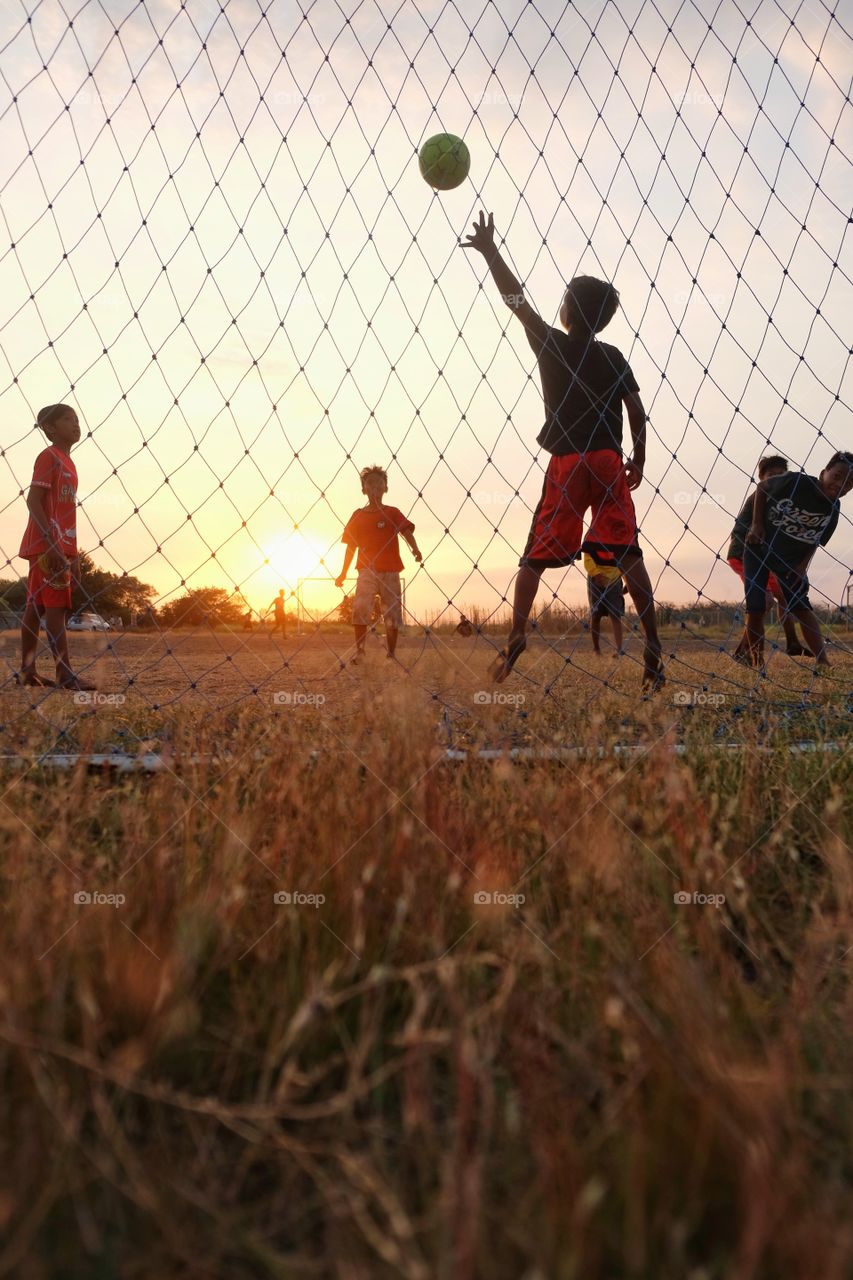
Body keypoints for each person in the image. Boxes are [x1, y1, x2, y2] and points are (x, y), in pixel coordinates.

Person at [461, 211, 663, 690]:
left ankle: (516, 634)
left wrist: (490, 251)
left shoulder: (550, 342)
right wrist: (639, 458)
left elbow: (516, 301)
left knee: (534, 557)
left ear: (567, 311)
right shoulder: (614, 355)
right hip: (608, 460)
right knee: (627, 552)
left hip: (567, 462)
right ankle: (653, 646)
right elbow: (637, 411)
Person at [742, 451, 853, 670]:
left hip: (790, 561)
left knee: (801, 606)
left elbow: (816, 540)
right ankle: (757, 661)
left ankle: (823, 661)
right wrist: (757, 524)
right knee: (755, 607)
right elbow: (762, 488)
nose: (840, 484)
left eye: (849, 483)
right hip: (759, 548)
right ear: (823, 473)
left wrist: (802, 567)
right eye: (837, 476)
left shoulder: (833, 509)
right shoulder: (796, 482)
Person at [17, 403, 95, 690]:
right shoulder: (49, 456)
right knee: (56, 607)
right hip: (47, 545)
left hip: (59, 545)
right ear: (49, 428)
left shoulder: (69, 462)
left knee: (36, 606)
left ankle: (28, 672)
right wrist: (51, 544)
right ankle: (65, 674)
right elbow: (33, 500)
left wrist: (73, 552)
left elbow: (65, 511)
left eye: (77, 419)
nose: (75, 424)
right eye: (67, 419)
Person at [335, 465, 421, 662]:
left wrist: (415, 549)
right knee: (360, 607)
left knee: (392, 613)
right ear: (363, 489)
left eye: (379, 483)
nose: (374, 486)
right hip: (366, 570)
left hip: (391, 570)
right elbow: (350, 547)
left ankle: (391, 653)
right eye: (370, 483)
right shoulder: (357, 515)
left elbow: (406, 531)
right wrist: (343, 572)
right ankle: (360, 651)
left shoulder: (392, 512)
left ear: (386, 488)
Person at [727, 455, 811, 658]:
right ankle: (747, 652)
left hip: (767, 557)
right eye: (771, 476)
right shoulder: (762, 495)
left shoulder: (784, 500)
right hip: (744, 553)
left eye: (781, 475)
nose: (776, 480)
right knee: (764, 601)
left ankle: (792, 642)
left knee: (783, 596)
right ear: (762, 479)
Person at [584, 551, 624, 655]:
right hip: (595, 578)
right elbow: (587, 557)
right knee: (595, 614)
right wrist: (596, 573)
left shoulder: (619, 541)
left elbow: (625, 558)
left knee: (616, 614)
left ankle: (619, 650)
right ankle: (596, 649)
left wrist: (627, 579)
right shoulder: (592, 540)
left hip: (615, 578)